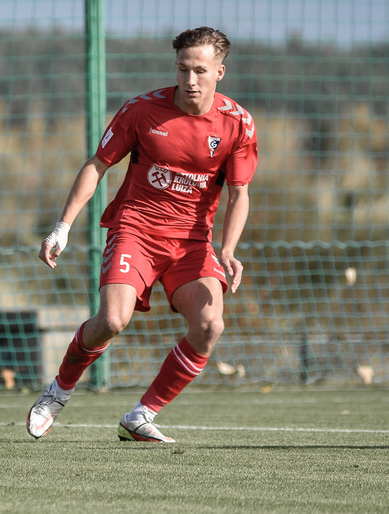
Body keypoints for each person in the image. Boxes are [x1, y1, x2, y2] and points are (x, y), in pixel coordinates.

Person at [27, 26, 257, 443]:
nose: (190, 80)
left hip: (191, 244)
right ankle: (57, 392)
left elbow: (240, 193)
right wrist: (62, 228)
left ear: (220, 72)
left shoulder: (237, 123)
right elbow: (97, 165)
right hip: (136, 230)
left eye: (201, 71)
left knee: (209, 325)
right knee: (112, 320)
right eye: (183, 69)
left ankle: (142, 414)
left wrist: (228, 250)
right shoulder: (142, 110)